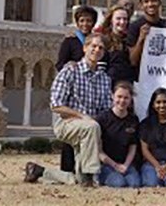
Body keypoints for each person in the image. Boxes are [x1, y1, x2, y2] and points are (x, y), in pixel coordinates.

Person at [24, 34, 112, 187]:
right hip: (66, 123)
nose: (97, 50)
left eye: (101, 48)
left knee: (77, 178)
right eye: (94, 46)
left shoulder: (105, 79)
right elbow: (56, 105)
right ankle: (90, 175)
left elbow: (106, 109)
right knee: (91, 126)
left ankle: (40, 171)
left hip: (89, 129)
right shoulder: (69, 72)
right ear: (85, 48)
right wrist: (82, 117)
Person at [55, 5, 98, 174]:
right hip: (73, 92)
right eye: (82, 20)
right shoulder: (70, 41)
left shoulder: (97, 41)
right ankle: (67, 169)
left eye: (89, 20)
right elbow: (60, 64)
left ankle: (83, 170)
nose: (85, 24)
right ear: (77, 22)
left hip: (90, 90)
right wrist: (69, 65)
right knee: (72, 131)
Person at [97, 81, 141, 188]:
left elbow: (133, 146)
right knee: (119, 183)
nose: (122, 101)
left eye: (126, 98)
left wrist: (126, 165)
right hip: (107, 164)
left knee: (134, 183)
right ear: (112, 96)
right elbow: (98, 150)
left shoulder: (133, 120)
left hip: (126, 164)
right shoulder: (102, 118)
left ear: (131, 100)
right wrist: (114, 165)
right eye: (119, 96)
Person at [127, 0, 166, 79]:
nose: (150, 4)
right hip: (141, 78)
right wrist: (141, 39)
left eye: (154, 0)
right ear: (141, 5)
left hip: (163, 76)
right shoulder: (134, 27)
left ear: (160, 3)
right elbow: (132, 60)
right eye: (146, 1)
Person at [101, 4, 136, 85]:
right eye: (118, 19)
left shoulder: (131, 40)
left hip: (128, 85)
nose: (122, 22)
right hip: (110, 85)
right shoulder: (104, 40)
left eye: (125, 19)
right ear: (111, 20)